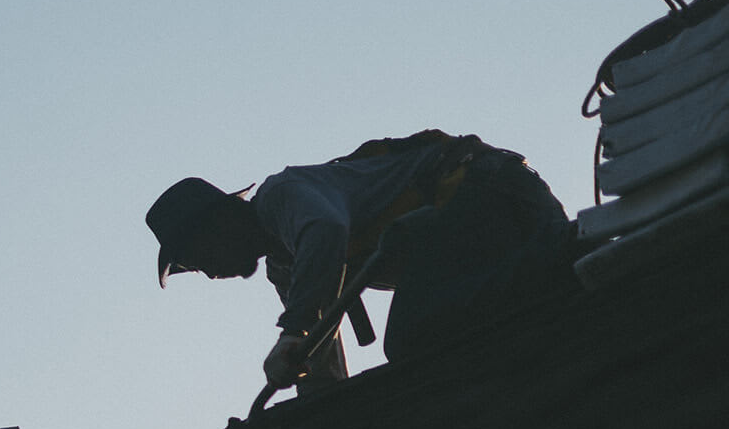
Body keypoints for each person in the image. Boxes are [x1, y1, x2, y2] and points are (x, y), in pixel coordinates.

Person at [147, 130, 575, 396]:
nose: (206, 272)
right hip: (476, 226)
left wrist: (294, 330)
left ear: (219, 225)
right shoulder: (288, 267)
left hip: (489, 190)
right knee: (444, 325)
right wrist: (311, 405)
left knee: (413, 335)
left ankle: (569, 248)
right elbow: (319, 358)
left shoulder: (282, 196)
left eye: (197, 259)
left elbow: (327, 231)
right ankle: (564, 258)